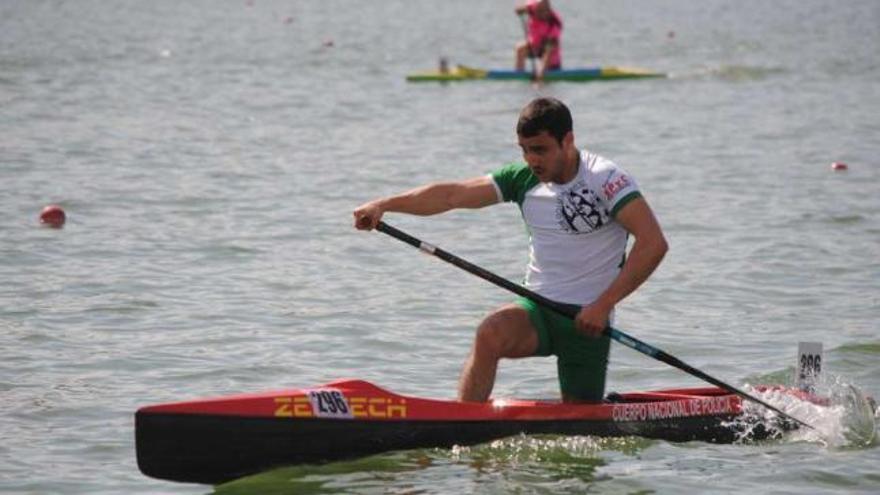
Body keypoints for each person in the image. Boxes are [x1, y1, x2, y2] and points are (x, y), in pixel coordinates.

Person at [353, 97, 668, 403]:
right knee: (490, 333)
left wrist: (603, 305)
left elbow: (653, 243)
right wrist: (384, 205)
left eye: (540, 150)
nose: (532, 160)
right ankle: (462, 425)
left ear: (568, 140)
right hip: (538, 312)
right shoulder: (523, 179)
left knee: (582, 425)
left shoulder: (606, 179)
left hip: (587, 324)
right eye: (525, 150)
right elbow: (451, 195)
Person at [514, 0, 563, 80]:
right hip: (536, 47)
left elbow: (548, 52)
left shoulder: (554, 24)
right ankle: (518, 75)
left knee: (548, 57)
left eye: (545, 10)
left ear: (549, 9)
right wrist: (519, 10)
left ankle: (545, 72)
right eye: (539, 10)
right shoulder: (533, 9)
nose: (542, 14)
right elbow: (519, 9)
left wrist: (540, 74)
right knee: (520, 48)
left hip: (550, 55)